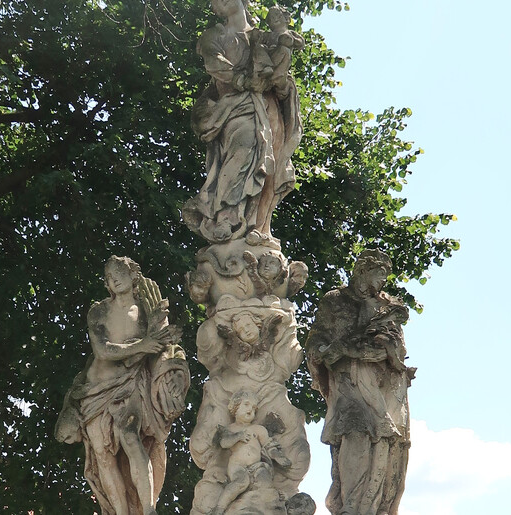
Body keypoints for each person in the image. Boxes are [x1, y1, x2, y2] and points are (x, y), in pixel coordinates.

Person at [55, 256, 189, 515]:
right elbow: (102, 350)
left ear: (133, 275)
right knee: (102, 455)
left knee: (130, 437)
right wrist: (143, 345)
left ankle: (148, 509)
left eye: (118, 272)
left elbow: (164, 350)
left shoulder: (146, 311)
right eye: (108, 276)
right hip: (95, 390)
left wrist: (171, 371)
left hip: (130, 385)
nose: (113, 279)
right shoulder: (99, 311)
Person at [183, 0, 302, 243]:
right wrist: (243, 81)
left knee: (271, 165)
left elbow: (280, 74)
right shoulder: (214, 35)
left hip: (269, 108)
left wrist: (280, 80)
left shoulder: (265, 38)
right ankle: (226, 216)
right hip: (235, 107)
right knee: (243, 148)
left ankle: (261, 228)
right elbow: (214, 63)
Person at [306, 250, 415, 515]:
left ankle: (375, 507)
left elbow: (399, 348)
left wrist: (384, 348)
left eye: (385, 276)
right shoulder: (336, 300)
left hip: (384, 385)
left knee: (386, 443)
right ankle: (351, 505)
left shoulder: (386, 306)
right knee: (355, 430)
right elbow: (316, 339)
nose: (383, 281)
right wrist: (325, 352)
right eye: (379, 273)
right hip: (347, 381)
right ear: (362, 270)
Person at [208, 390, 291, 514]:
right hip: (237, 466)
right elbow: (224, 443)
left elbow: (268, 445)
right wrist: (237, 436)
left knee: (265, 483)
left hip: (258, 466)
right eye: (246, 404)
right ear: (235, 407)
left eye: (253, 408)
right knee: (241, 482)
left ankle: (270, 505)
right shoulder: (230, 429)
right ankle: (220, 508)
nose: (250, 410)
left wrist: (278, 457)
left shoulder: (258, 429)